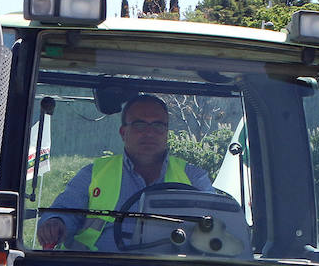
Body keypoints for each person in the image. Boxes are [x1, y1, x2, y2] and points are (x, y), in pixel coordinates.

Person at [36, 94, 214, 251]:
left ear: (166, 132)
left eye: (158, 126)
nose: (150, 133)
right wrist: (55, 223)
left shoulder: (194, 179)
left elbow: (218, 223)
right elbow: (63, 211)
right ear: (123, 132)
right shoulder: (93, 174)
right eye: (139, 125)